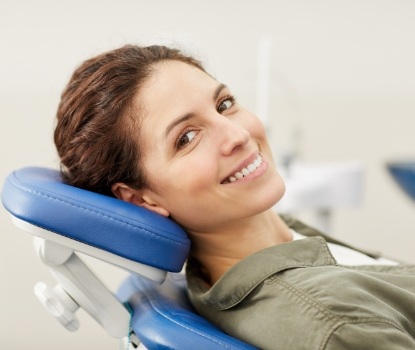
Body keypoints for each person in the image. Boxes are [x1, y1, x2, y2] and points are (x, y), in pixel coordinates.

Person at [54, 44, 415, 350]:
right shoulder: (333, 322)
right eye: (187, 137)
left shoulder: (277, 240)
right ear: (141, 200)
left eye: (224, 104)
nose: (238, 134)